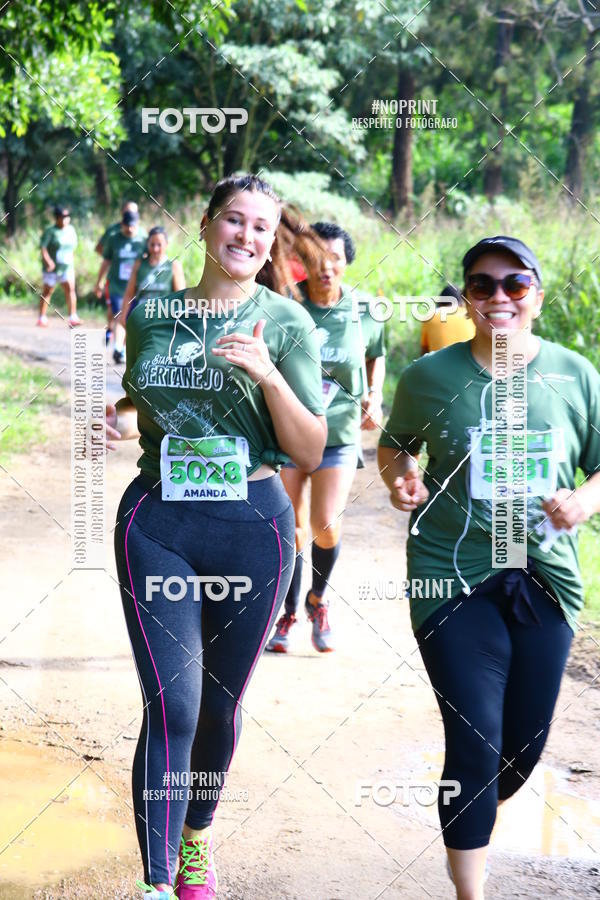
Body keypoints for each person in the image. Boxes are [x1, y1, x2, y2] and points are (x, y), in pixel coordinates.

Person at [106, 174, 327, 899]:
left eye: (261, 228)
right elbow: (150, 396)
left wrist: (267, 375)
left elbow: (308, 447)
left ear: (271, 244)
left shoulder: (287, 325)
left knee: (221, 707)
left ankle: (197, 835)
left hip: (253, 530)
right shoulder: (152, 313)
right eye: (234, 221)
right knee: (175, 702)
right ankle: (157, 882)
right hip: (159, 523)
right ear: (206, 226)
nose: (246, 236)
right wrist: (119, 409)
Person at [378, 236, 600, 900]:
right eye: (482, 285)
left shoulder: (575, 373)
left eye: (514, 284)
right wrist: (402, 480)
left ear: (536, 293)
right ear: (467, 298)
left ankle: (466, 810)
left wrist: (583, 501)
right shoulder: (431, 377)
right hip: (452, 574)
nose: (499, 297)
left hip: (546, 578)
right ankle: (470, 893)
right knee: (474, 741)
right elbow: (393, 448)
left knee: (520, 754)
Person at [266, 221, 385, 654]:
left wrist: (376, 393)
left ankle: (319, 599)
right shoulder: (286, 307)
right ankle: (289, 611)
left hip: (339, 434)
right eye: (317, 258)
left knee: (325, 524)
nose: (326, 267)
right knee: (291, 529)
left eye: (335, 258)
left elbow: (377, 355)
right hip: (292, 432)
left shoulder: (367, 311)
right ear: (301, 261)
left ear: (347, 263)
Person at [114, 226, 185, 364]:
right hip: (142, 316)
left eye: (159, 244)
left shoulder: (173, 266)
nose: (156, 249)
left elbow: (181, 297)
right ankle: (122, 351)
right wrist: (124, 315)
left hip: (163, 318)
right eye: (152, 244)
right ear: (147, 244)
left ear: (166, 245)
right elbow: (129, 294)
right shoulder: (139, 265)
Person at [94, 210, 146, 348]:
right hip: (116, 285)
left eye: (132, 226)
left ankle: (121, 345)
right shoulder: (113, 239)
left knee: (127, 317)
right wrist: (98, 282)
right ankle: (119, 347)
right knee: (119, 314)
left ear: (138, 224)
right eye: (126, 225)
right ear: (121, 224)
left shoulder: (143, 240)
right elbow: (105, 261)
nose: (129, 229)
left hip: (135, 287)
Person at [38, 204, 80, 327]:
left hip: (66, 267)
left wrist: (71, 259)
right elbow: (43, 248)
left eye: (67, 216)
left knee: (70, 289)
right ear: (57, 218)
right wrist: (48, 261)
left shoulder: (71, 230)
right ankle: (42, 317)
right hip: (52, 268)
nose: (65, 219)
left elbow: (73, 247)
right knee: (48, 291)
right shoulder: (50, 231)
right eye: (63, 216)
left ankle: (73, 316)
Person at [420, 284, 476, 353]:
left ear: (440, 303)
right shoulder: (472, 315)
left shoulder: (430, 317)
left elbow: (424, 353)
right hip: (470, 362)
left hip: (439, 363)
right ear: (462, 303)